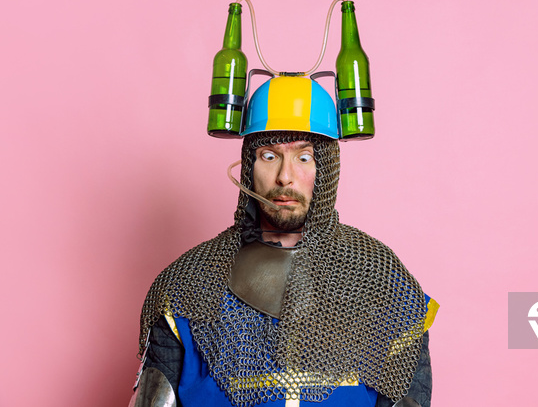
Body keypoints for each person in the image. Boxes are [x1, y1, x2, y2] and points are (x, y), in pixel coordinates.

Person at [130, 76, 439, 407]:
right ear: (249, 165)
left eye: (303, 157)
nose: (285, 176)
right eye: (269, 156)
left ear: (326, 168)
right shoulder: (187, 284)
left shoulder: (383, 281)